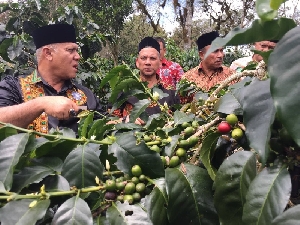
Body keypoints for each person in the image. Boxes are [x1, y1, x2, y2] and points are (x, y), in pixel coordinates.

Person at [0, 24, 105, 134]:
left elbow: (106, 124)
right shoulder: (13, 87)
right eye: (70, 50)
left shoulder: (85, 94)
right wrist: (41, 104)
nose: (77, 56)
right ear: (48, 53)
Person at [111, 37, 180, 124]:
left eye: (153, 58)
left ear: (160, 63)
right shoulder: (123, 90)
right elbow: (108, 123)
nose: (148, 62)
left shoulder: (171, 91)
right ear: (137, 62)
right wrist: (124, 121)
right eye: (143, 58)